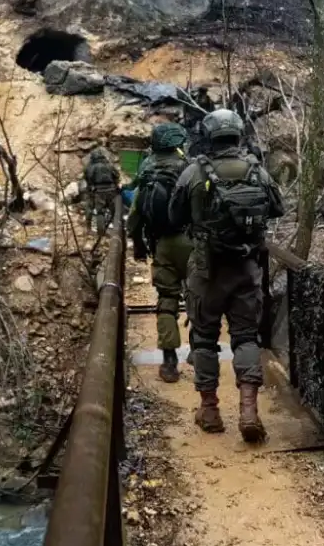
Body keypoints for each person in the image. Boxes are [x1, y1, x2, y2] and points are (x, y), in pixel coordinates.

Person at [168, 109, 284, 442]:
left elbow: (174, 217)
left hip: (207, 272)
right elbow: (278, 208)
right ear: (238, 135)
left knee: (204, 339)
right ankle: (249, 411)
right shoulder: (257, 171)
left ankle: (210, 410)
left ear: (209, 136)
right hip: (247, 270)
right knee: (246, 338)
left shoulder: (193, 172)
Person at [128, 122, 193, 383]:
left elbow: (134, 215)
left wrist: (138, 244)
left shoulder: (146, 170)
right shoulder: (188, 168)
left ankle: (169, 362)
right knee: (198, 296)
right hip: (191, 241)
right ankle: (200, 352)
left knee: (167, 300)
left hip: (162, 244)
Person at [83, 147, 120, 232]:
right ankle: (116, 231)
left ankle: (101, 233)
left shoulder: (90, 166)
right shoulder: (109, 164)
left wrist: (91, 187)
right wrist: (115, 184)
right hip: (111, 190)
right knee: (114, 211)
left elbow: (87, 177)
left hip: (99, 191)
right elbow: (117, 175)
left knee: (100, 212)